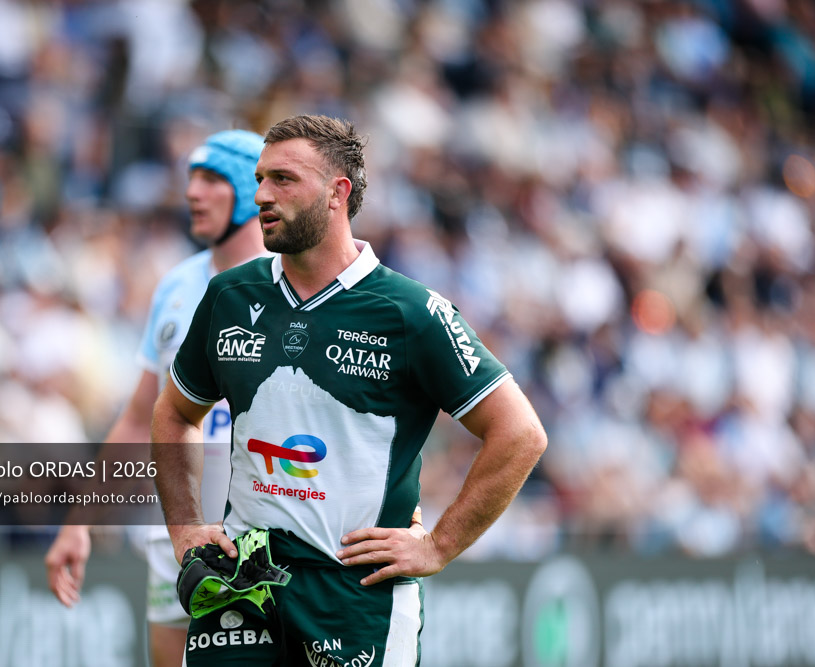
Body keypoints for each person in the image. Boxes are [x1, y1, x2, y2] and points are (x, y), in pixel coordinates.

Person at [151, 114, 547, 666]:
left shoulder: (411, 311)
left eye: (283, 180)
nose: (261, 194)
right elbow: (174, 413)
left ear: (338, 193)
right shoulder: (228, 296)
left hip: (356, 598)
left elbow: (520, 433)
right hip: (241, 583)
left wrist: (438, 545)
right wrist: (187, 527)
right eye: (260, 179)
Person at [44, 128, 269, 667]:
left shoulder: (287, 284)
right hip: (176, 531)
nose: (193, 192)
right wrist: (79, 523)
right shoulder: (174, 287)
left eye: (212, 179)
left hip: (263, 533)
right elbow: (136, 420)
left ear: (249, 189)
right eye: (190, 178)